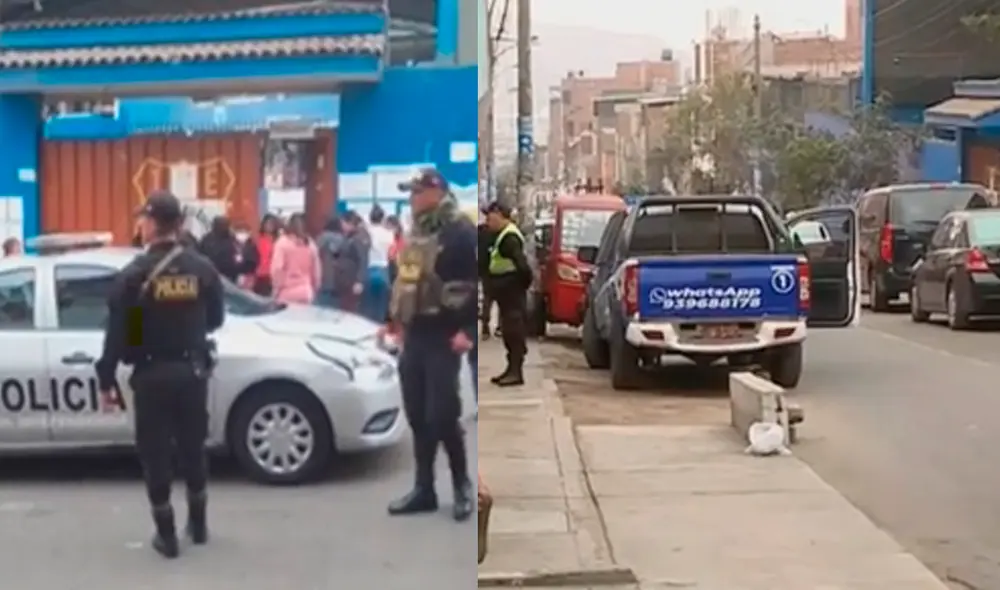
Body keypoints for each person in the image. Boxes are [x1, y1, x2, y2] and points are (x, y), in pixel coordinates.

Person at [94, 190, 224, 559]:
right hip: (192, 371)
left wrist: (106, 378)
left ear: (151, 224)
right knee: (192, 446)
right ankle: (198, 526)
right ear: (179, 224)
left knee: (155, 454)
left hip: (151, 375)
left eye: (143, 220)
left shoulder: (134, 277)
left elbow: (121, 334)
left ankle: (166, 536)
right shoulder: (202, 269)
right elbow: (216, 319)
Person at [384, 168, 475, 522]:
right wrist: (392, 320)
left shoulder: (459, 233)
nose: (412, 198)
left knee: (443, 414)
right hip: (416, 334)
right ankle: (424, 488)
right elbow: (402, 281)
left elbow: (474, 282)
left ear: (436, 193)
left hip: (444, 335)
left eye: (417, 192)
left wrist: (467, 328)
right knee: (418, 414)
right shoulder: (415, 233)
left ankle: (462, 486)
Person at [484, 202, 532, 387]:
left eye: (490, 217)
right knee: (508, 331)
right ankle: (510, 369)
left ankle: (516, 372)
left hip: (512, 295)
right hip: (507, 295)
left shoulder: (509, 238)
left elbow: (523, 268)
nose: (488, 221)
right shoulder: (501, 236)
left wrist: (514, 286)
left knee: (514, 332)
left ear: (500, 215)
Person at [271, 212, 321, 305]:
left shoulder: (282, 243)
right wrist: (314, 288)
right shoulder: (310, 244)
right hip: (306, 290)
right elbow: (316, 271)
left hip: (286, 291)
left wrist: (276, 289)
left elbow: (277, 269)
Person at [364, 206, 395, 322]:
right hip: (383, 269)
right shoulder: (389, 234)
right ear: (382, 218)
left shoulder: (367, 232)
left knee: (367, 305)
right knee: (381, 305)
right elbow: (391, 253)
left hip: (369, 268)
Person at [337, 211, 370, 313]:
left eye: (343, 223)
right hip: (346, 279)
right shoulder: (351, 236)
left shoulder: (358, 238)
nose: (341, 226)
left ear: (349, 223)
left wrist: (359, 281)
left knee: (350, 309)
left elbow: (363, 259)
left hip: (351, 279)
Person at [197, 216, 242, 282]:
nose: (225, 227)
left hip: (229, 276)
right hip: (211, 276)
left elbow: (238, 254)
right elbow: (200, 255)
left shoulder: (232, 239)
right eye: (222, 225)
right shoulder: (207, 240)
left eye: (226, 225)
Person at [316, 216, 347, 309]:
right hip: (339, 273)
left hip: (325, 271)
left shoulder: (323, 237)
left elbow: (315, 250)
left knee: (322, 303)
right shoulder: (343, 238)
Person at [477, 210, 497, 339]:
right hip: (490, 270)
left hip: (488, 269)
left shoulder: (481, 231)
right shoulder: (497, 231)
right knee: (490, 299)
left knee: (488, 299)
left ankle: (486, 326)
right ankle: (487, 326)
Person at [252, 214, 281, 296]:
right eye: (267, 223)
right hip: (259, 275)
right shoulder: (257, 239)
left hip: (273, 275)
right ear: (263, 224)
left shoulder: (279, 241)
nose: (269, 226)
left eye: (271, 224)